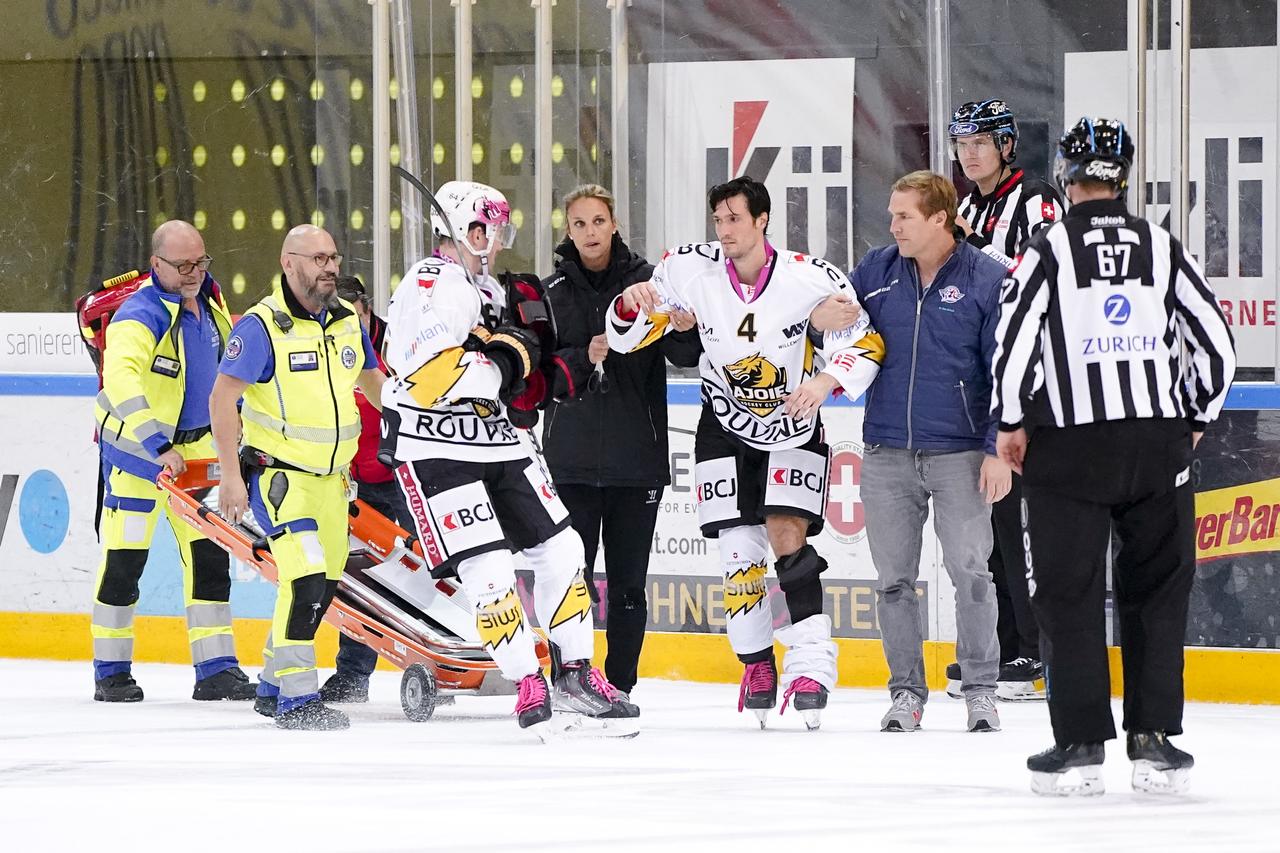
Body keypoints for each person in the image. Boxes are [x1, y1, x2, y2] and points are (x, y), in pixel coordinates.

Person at [993, 118, 1235, 795]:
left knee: (1067, 594)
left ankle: (1078, 744)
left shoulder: (1046, 248)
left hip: (1069, 445)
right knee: (1157, 588)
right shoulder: (1160, 244)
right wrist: (1192, 418)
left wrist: (1011, 424)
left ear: (1069, 177)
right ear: (1123, 175)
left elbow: (1012, 345)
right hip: (1154, 444)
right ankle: (1154, 741)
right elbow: (1215, 342)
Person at [608, 176, 883, 731]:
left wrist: (826, 379)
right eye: (719, 220)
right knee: (738, 555)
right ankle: (757, 665)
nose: (725, 230)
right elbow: (629, 336)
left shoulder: (811, 276)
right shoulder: (689, 269)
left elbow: (866, 341)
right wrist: (630, 304)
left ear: (763, 220)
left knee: (787, 536)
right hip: (722, 428)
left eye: (735, 218)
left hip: (793, 428)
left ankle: (810, 666)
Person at [379, 180, 639, 740]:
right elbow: (430, 375)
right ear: (462, 230)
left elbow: (523, 381)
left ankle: (573, 671)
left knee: (564, 548)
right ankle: (527, 679)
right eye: (485, 230)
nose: (494, 242)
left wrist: (538, 371)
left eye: (497, 231)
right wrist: (505, 361)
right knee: (489, 569)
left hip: (498, 442)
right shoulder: (431, 284)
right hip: (434, 447)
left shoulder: (494, 290)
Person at [848, 171, 1011, 734]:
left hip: (961, 453)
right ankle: (905, 693)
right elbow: (839, 332)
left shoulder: (988, 279)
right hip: (887, 450)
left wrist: (997, 449)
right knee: (893, 580)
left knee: (971, 573)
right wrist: (823, 325)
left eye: (903, 217)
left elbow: (1005, 370)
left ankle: (981, 690)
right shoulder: (874, 271)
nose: (892, 226)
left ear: (940, 219)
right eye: (892, 215)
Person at [209, 225, 385, 731]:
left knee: (322, 585)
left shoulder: (347, 320)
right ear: (289, 264)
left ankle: (271, 686)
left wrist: (419, 421)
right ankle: (296, 699)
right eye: (318, 258)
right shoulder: (263, 328)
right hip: (279, 480)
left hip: (333, 484)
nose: (330, 267)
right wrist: (229, 478)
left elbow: (374, 384)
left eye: (333, 257)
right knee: (305, 578)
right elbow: (222, 400)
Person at [538, 184, 700, 699]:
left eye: (598, 221)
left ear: (614, 225)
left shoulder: (651, 282)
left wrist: (684, 325)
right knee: (572, 583)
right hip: (570, 462)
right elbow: (541, 371)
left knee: (629, 586)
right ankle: (569, 680)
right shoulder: (551, 290)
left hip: (637, 462)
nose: (589, 232)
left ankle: (620, 685)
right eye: (579, 223)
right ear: (568, 230)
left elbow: (686, 354)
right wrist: (586, 355)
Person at [90, 220, 257, 703]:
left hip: (197, 456)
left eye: (201, 262)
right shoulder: (137, 315)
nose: (194, 273)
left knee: (210, 558)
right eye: (183, 265)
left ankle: (217, 669)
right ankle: (111, 670)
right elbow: (120, 382)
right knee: (125, 562)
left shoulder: (211, 302)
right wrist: (156, 446)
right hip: (139, 458)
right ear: (156, 265)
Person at [945, 99, 1066, 700]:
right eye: (961, 141)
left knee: (1019, 522)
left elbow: (1045, 273)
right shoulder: (966, 204)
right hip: (984, 382)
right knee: (989, 522)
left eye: (981, 140)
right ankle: (1003, 644)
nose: (969, 151)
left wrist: (974, 249)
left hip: (1034, 383)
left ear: (1007, 145)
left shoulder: (1038, 199)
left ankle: (1036, 651)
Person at [314, 275, 412, 704]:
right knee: (358, 580)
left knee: (423, 575)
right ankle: (353, 675)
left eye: (351, 314)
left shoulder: (401, 347)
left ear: (366, 310)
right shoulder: (324, 344)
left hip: (410, 481)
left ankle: (433, 664)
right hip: (360, 485)